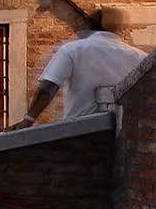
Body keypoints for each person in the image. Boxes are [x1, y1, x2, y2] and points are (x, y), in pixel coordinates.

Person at [14, 11, 145, 128]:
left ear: (89, 27)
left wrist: (28, 120)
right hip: (124, 131)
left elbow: (48, 88)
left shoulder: (72, 50)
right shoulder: (139, 56)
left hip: (80, 130)